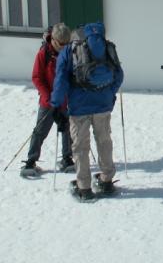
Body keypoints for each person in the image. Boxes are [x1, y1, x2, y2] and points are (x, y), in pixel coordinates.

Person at [50, 22, 124, 201]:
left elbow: (61, 81)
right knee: (104, 142)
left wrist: (56, 105)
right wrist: (109, 94)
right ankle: (106, 181)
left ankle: (84, 188)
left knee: (81, 147)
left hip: (79, 107)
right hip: (103, 105)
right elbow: (119, 75)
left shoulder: (69, 51)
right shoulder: (108, 48)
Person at [21, 23, 74, 178]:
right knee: (40, 131)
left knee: (68, 130)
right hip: (48, 102)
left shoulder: (70, 53)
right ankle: (31, 161)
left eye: (66, 43)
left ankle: (67, 158)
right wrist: (49, 97)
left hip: (65, 100)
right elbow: (37, 77)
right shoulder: (43, 54)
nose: (64, 47)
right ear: (54, 40)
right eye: (61, 44)